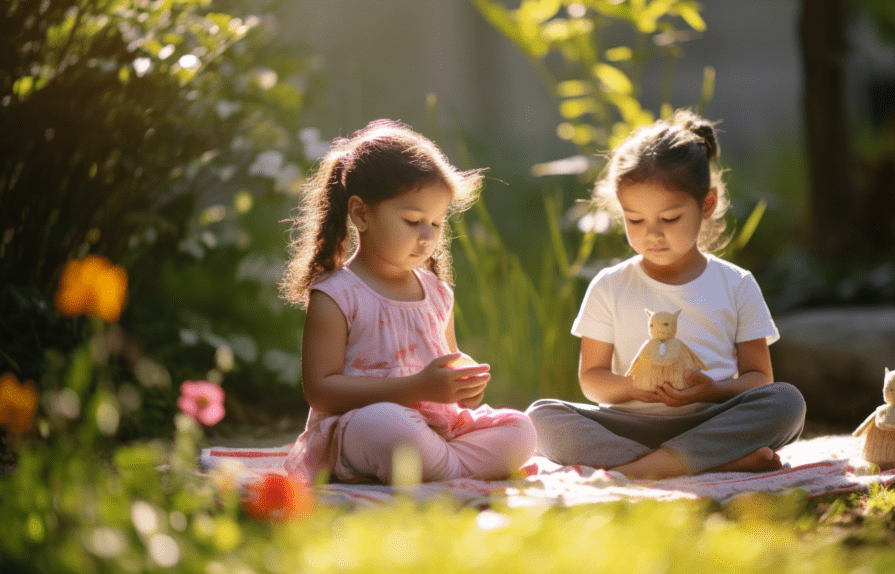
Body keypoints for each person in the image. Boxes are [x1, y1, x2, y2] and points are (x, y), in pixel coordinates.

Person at [527, 110, 805, 479]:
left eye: (669, 219)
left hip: (711, 417)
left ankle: (648, 466)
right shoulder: (609, 286)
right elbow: (593, 379)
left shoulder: (736, 283)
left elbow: (758, 378)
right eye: (635, 220)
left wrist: (712, 391)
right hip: (631, 423)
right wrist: (634, 388)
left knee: (786, 402)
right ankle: (704, 461)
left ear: (706, 203)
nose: (652, 235)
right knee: (540, 418)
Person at [280, 119, 536, 484]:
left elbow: (446, 365)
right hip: (366, 428)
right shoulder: (337, 294)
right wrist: (416, 388)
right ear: (361, 213)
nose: (427, 236)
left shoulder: (437, 293)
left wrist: (462, 388)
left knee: (521, 428)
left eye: (435, 223)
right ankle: (450, 468)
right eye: (413, 220)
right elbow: (321, 392)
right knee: (388, 427)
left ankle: (440, 467)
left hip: (436, 430)